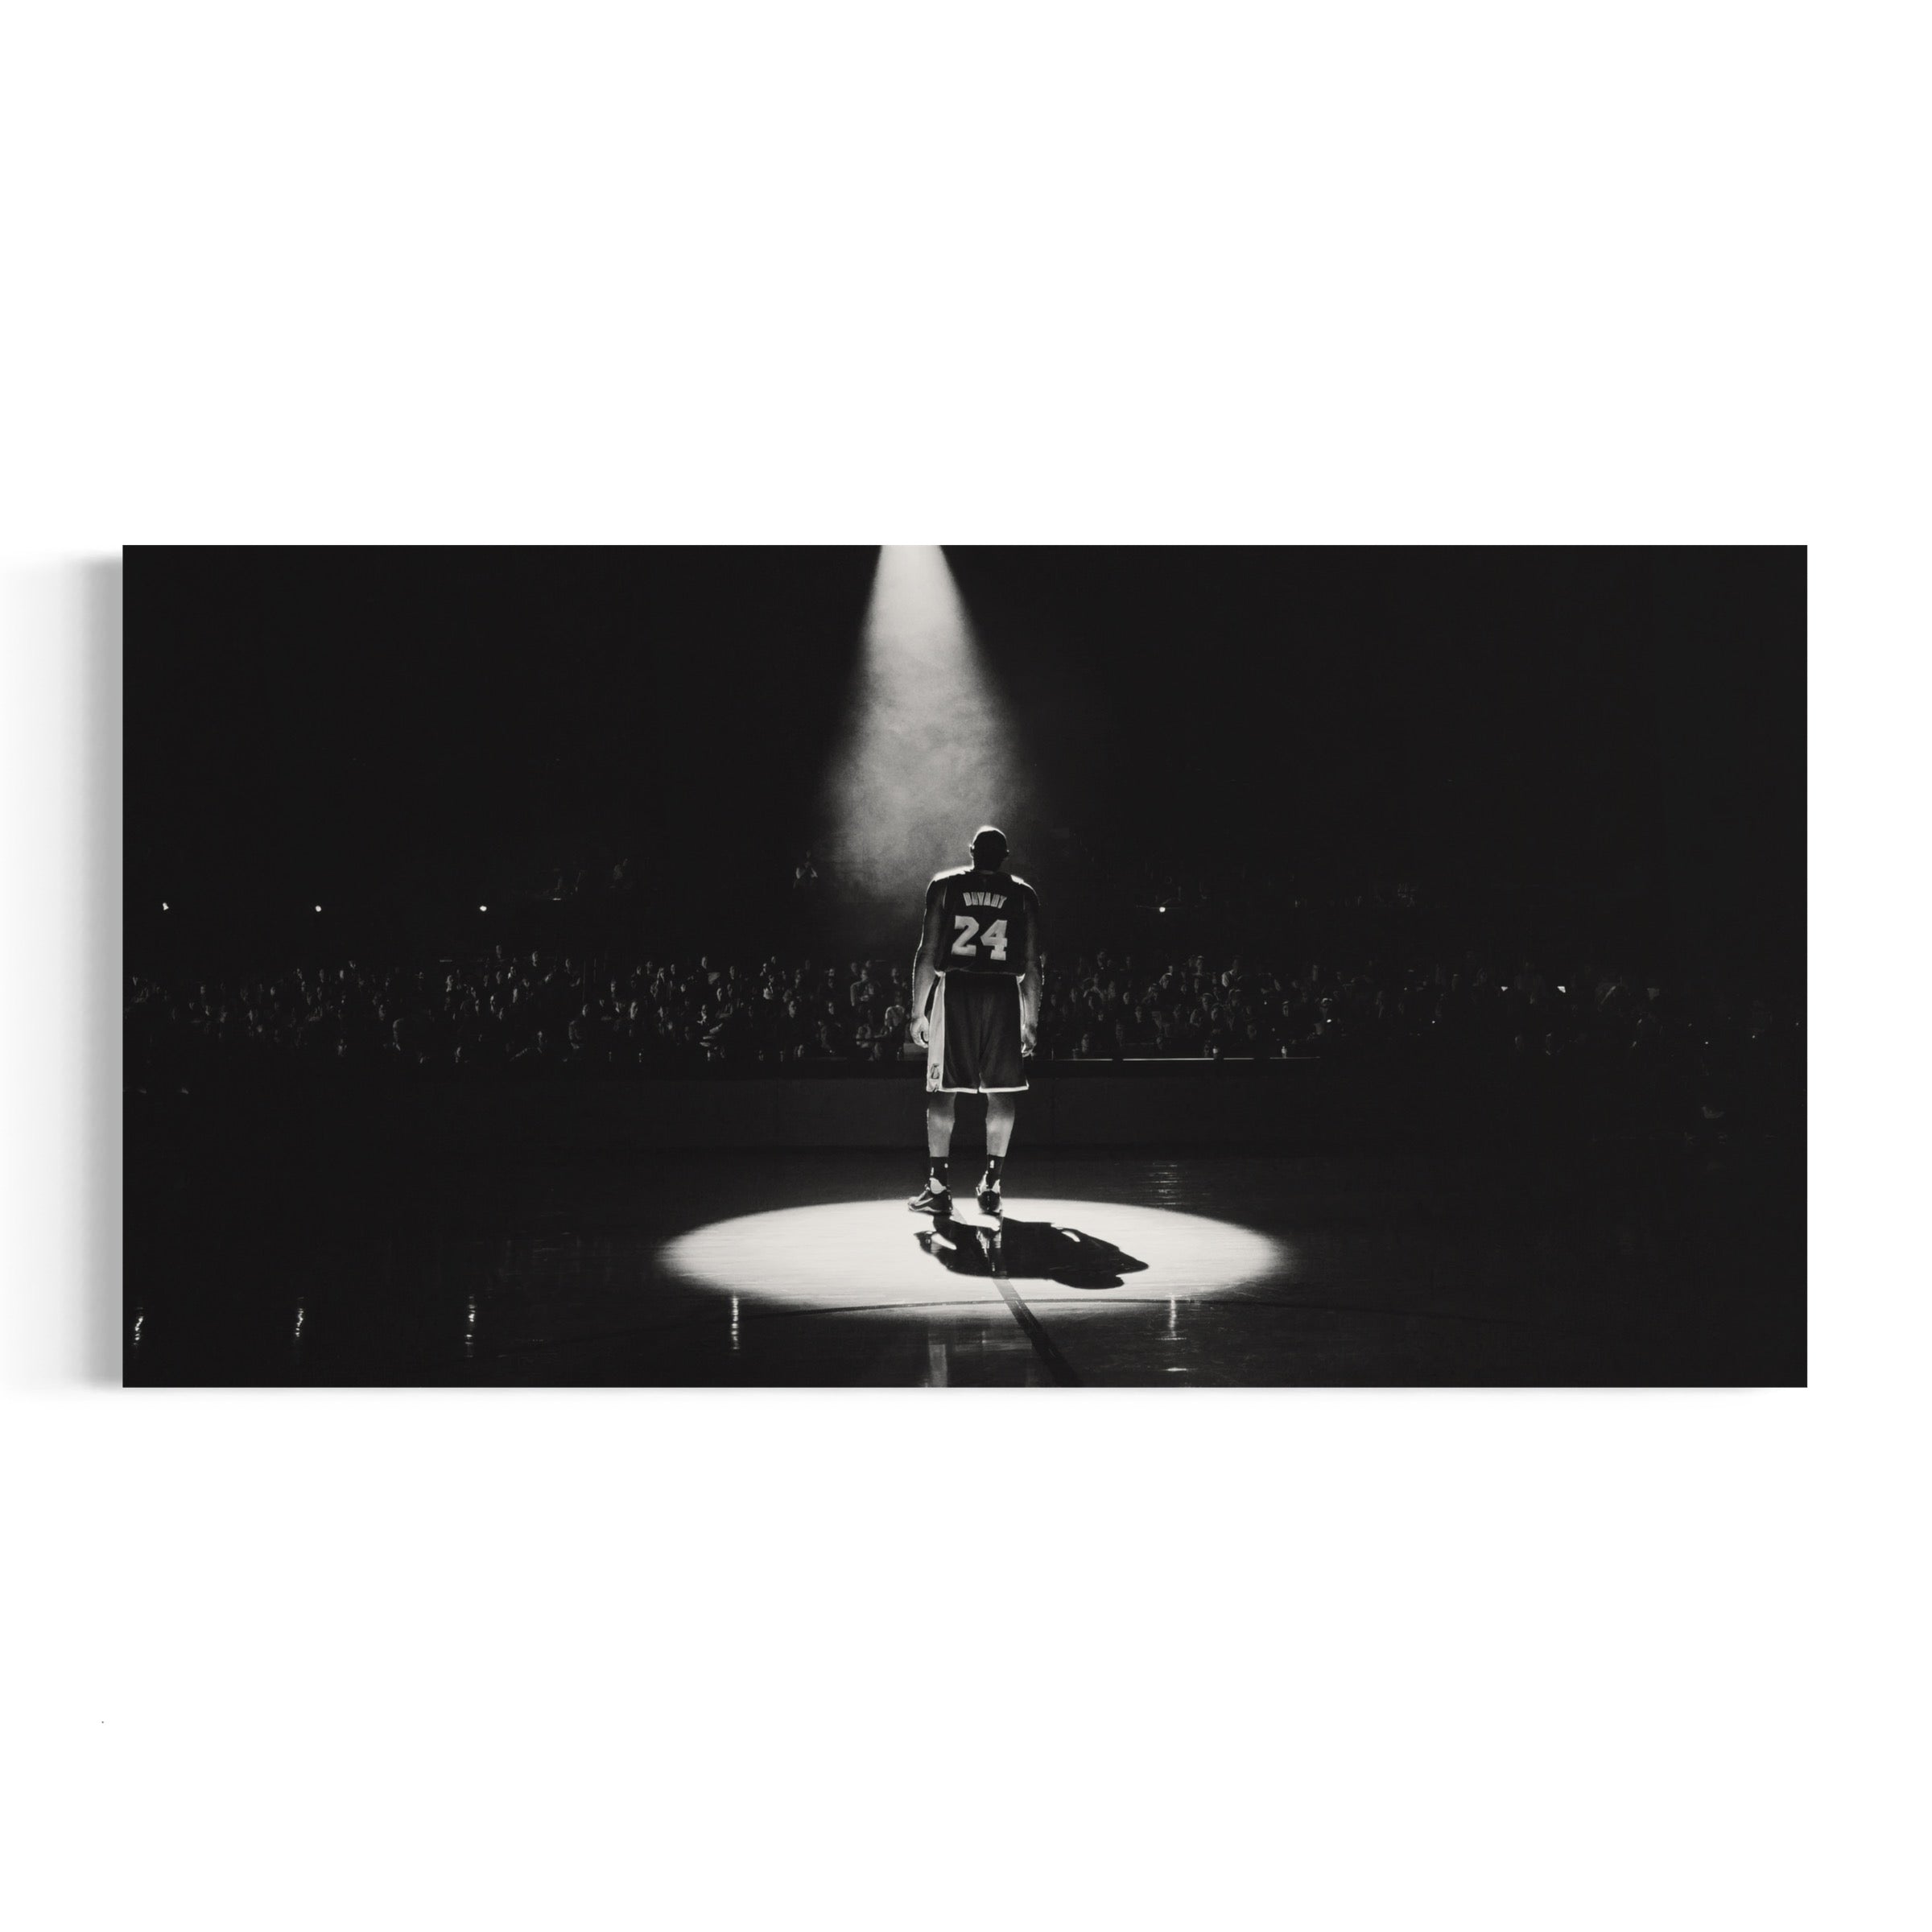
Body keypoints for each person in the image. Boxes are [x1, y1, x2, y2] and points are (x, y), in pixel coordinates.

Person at [906, 825, 1041, 1218]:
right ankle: (993, 1185)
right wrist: (1031, 1019)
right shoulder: (1024, 894)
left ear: (971, 852)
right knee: (1003, 1091)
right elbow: (1033, 964)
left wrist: (919, 1009)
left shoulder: (945, 885)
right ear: (1005, 855)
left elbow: (928, 950)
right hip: (1002, 993)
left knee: (942, 1090)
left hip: (958, 989)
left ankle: (937, 1187)